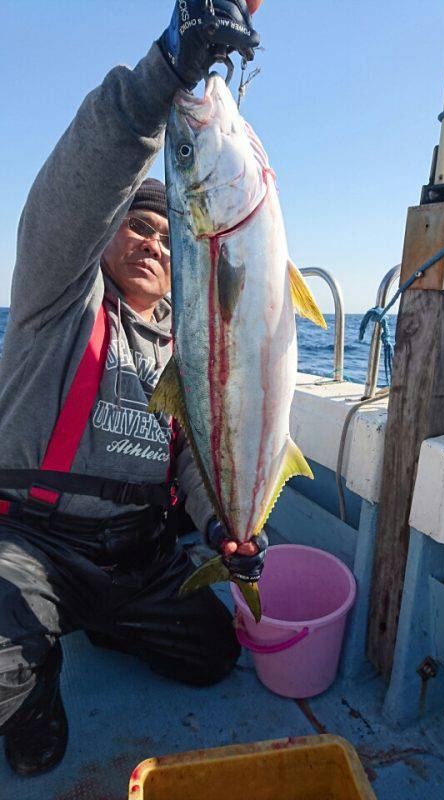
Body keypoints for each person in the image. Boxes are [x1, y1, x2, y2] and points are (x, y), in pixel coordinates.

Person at [0, 0, 267, 778]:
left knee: (213, 659)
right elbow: (77, 191)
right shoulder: (59, 299)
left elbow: (193, 456)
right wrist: (165, 72)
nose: (153, 241)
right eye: (138, 227)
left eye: (164, 232)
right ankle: (35, 699)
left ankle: (106, 622)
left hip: (139, 556)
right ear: (109, 235)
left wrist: (223, 526)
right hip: (32, 545)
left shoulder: (192, 350)